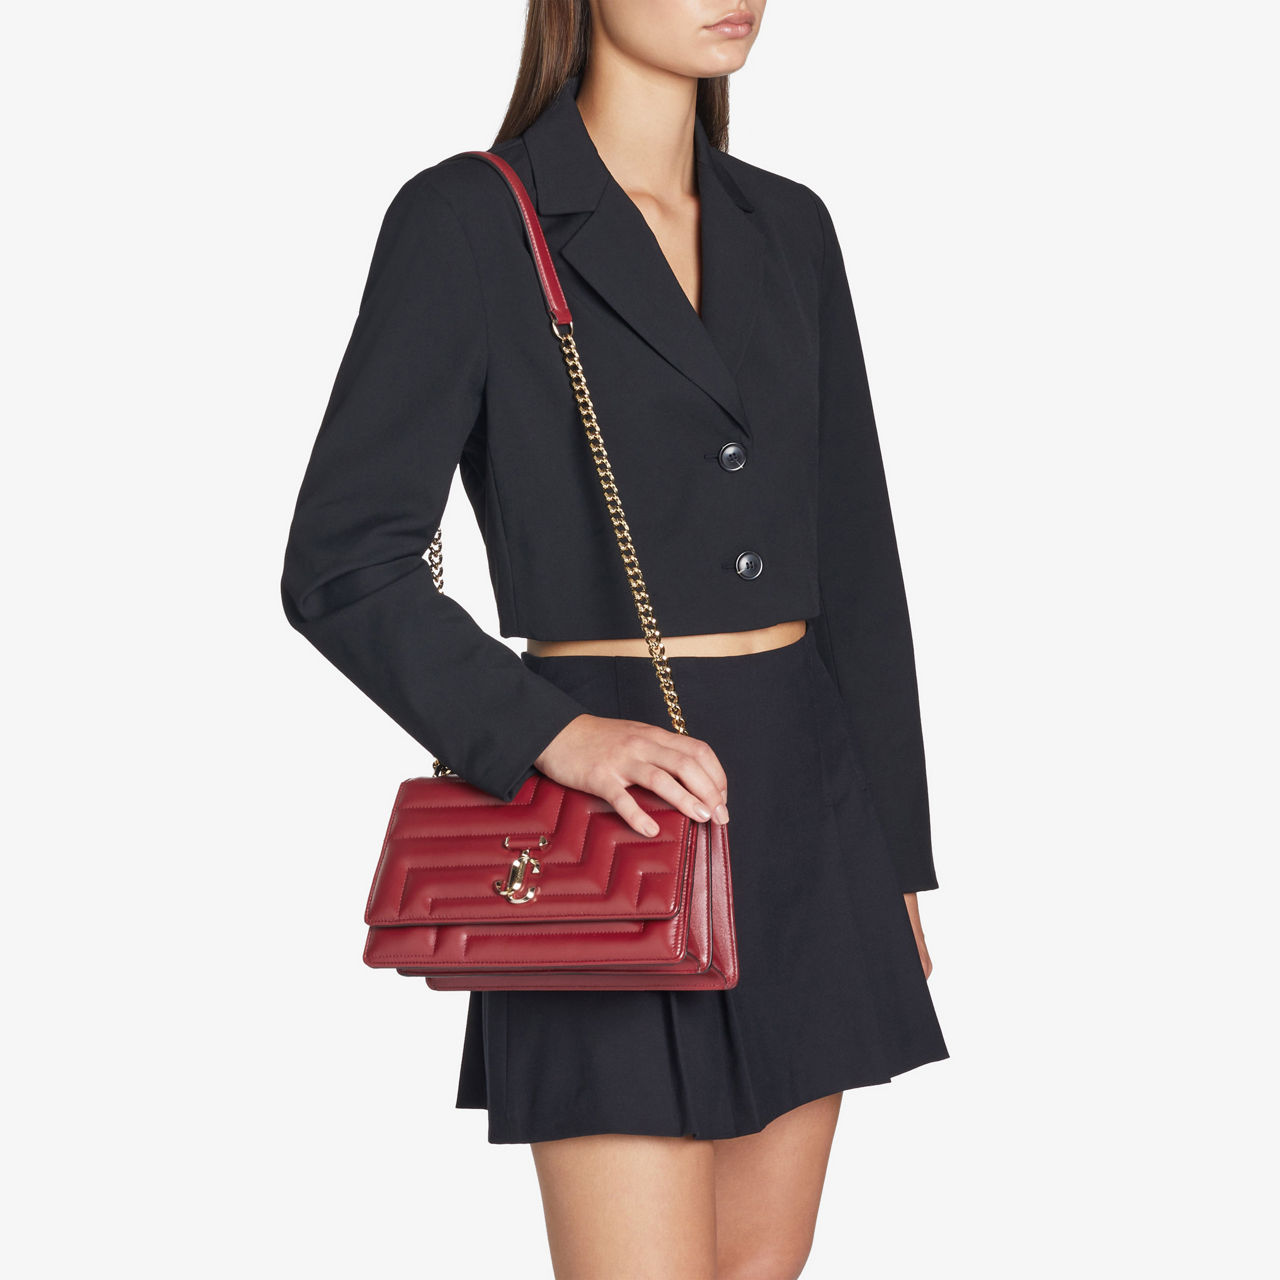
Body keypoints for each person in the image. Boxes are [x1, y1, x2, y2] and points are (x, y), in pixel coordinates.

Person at [280, 2, 948, 1275]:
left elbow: (857, 565)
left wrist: (895, 856)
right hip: (604, 822)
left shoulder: (790, 225)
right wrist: (556, 736)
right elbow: (343, 562)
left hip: (806, 810)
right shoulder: (470, 219)